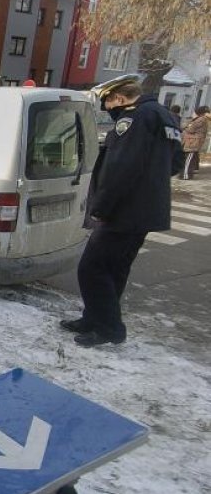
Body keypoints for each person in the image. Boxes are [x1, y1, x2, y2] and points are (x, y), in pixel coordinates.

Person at [61, 76, 182, 347]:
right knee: (115, 269)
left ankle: (109, 328)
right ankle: (94, 318)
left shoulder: (134, 119)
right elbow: (175, 162)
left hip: (122, 211)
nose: (109, 108)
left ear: (118, 98)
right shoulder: (164, 116)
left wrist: (102, 208)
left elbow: (121, 168)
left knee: (92, 268)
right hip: (145, 211)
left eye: (108, 103)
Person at [181, 106, 208, 180]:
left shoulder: (200, 120)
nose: (193, 113)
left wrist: (187, 126)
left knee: (188, 159)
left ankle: (185, 175)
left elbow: (190, 129)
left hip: (193, 142)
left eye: (194, 112)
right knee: (190, 158)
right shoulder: (200, 119)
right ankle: (186, 174)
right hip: (193, 141)